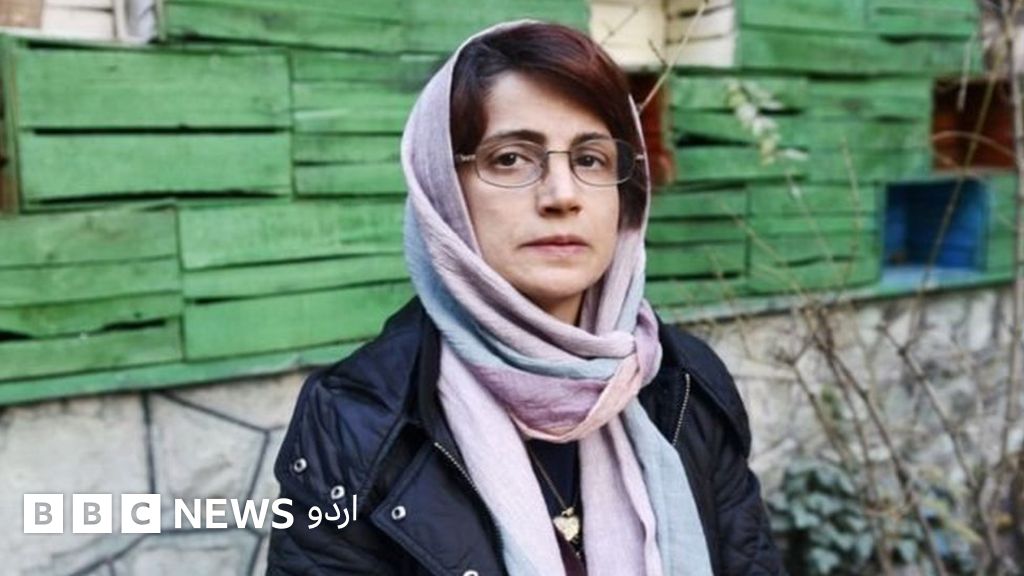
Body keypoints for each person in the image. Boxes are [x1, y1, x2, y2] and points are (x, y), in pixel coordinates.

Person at [266, 20, 783, 576]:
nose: (562, 195)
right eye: (511, 158)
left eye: (590, 159)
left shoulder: (685, 388)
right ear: (444, 189)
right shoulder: (356, 423)